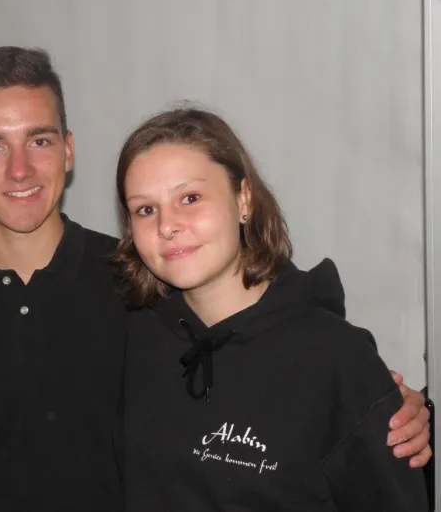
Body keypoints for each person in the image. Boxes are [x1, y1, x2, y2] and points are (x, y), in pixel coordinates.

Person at [0, 47, 431, 512]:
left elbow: (273, 337)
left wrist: (386, 404)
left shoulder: (139, 285)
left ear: (68, 150)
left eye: (39, 141)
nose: (19, 170)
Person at [115, 107, 429, 511]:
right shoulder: (131, 335)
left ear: (243, 198)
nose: (166, 226)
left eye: (189, 198)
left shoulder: (336, 359)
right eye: (145, 209)